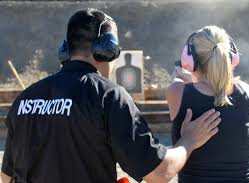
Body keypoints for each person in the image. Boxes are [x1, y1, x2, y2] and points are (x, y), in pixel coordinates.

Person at [1, 9, 221, 183]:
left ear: (65, 49)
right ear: (107, 49)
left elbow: (7, 176)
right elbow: (160, 173)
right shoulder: (108, 96)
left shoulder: (25, 99)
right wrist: (188, 141)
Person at [167, 26, 249, 183]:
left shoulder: (177, 91)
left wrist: (180, 76)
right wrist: (193, 78)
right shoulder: (246, 91)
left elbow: (198, 89)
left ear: (189, 58)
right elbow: (214, 88)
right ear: (232, 57)